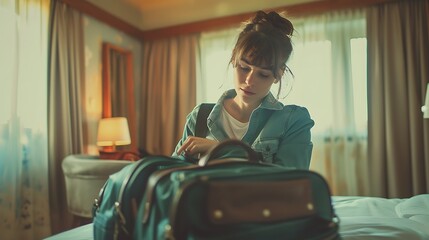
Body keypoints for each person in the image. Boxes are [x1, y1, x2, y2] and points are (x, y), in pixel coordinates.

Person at [172, 10, 315, 169]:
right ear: (234, 59)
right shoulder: (199, 117)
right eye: (244, 68)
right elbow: (174, 175)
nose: (249, 81)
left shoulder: (294, 121)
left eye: (263, 74)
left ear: (279, 75)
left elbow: (292, 183)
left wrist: (220, 150)